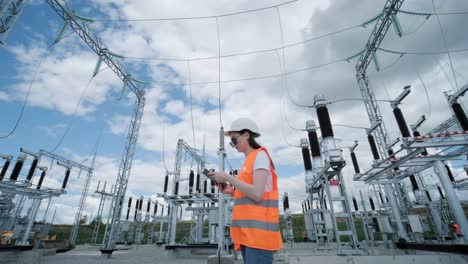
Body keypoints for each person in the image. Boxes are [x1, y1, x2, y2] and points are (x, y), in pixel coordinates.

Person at [209, 118, 283, 264]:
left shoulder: (260, 156)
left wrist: (228, 177)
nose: (234, 145)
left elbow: (257, 194)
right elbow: (248, 193)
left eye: (234, 140)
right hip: (248, 234)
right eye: (232, 142)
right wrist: (230, 190)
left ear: (247, 135)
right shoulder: (248, 161)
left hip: (259, 237)